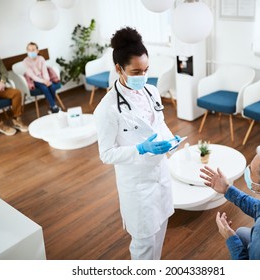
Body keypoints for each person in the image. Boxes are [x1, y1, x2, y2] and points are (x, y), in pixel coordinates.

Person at [94, 27, 180, 260]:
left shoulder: (151, 91)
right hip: (138, 187)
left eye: (146, 70)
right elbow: (106, 154)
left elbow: (159, 123)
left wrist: (172, 140)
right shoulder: (107, 109)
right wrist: (140, 149)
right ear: (119, 68)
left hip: (160, 176)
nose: (143, 76)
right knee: (143, 245)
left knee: (160, 234)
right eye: (136, 71)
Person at [23, 42, 61, 114]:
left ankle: (51, 106)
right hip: (35, 80)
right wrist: (44, 82)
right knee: (44, 88)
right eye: (29, 50)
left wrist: (47, 80)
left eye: (33, 49)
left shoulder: (41, 58)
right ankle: (54, 106)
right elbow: (33, 76)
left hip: (44, 78)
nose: (31, 51)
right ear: (27, 51)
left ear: (37, 51)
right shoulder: (25, 61)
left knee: (52, 86)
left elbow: (45, 71)